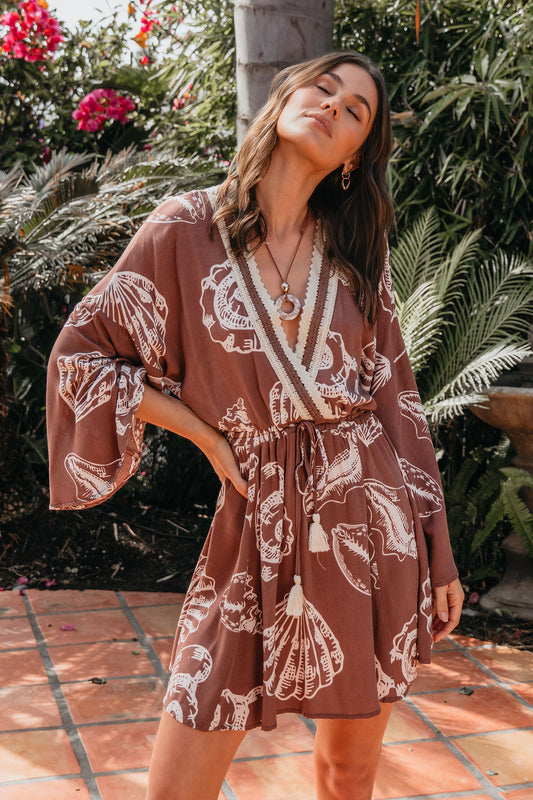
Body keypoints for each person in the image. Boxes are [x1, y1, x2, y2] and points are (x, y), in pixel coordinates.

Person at [47, 51, 464, 800]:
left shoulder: (356, 252)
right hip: (254, 513)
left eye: (355, 110)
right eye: (323, 88)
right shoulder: (185, 227)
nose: (333, 106)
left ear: (353, 158)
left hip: (367, 517)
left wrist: (438, 549)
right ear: (285, 98)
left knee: (347, 773)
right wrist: (205, 436)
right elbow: (82, 357)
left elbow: (396, 401)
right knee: (176, 785)